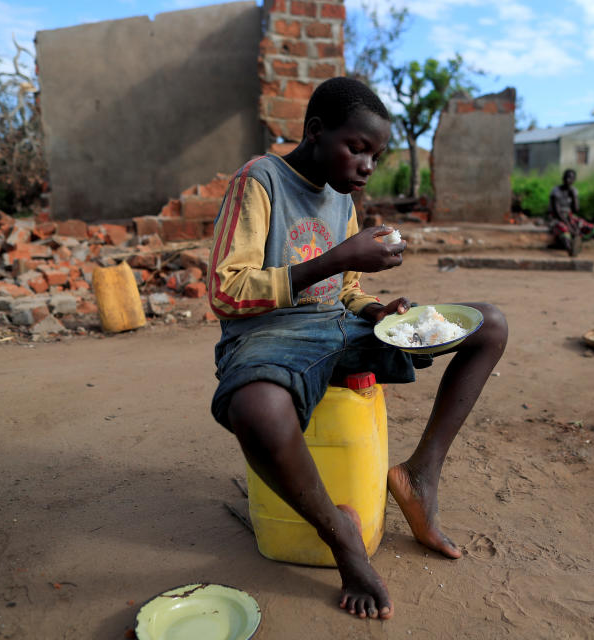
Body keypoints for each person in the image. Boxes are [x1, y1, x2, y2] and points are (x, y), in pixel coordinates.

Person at [206, 77, 508, 621]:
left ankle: (419, 476)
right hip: (267, 334)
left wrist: (376, 309)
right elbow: (227, 291)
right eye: (358, 148)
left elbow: (344, 292)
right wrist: (338, 257)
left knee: (489, 324)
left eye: (376, 154)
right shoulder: (261, 180)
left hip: (337, 327)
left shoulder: (341, 198)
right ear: (317, 132)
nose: (367, 165)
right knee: (255, 409)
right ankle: (340, 535)